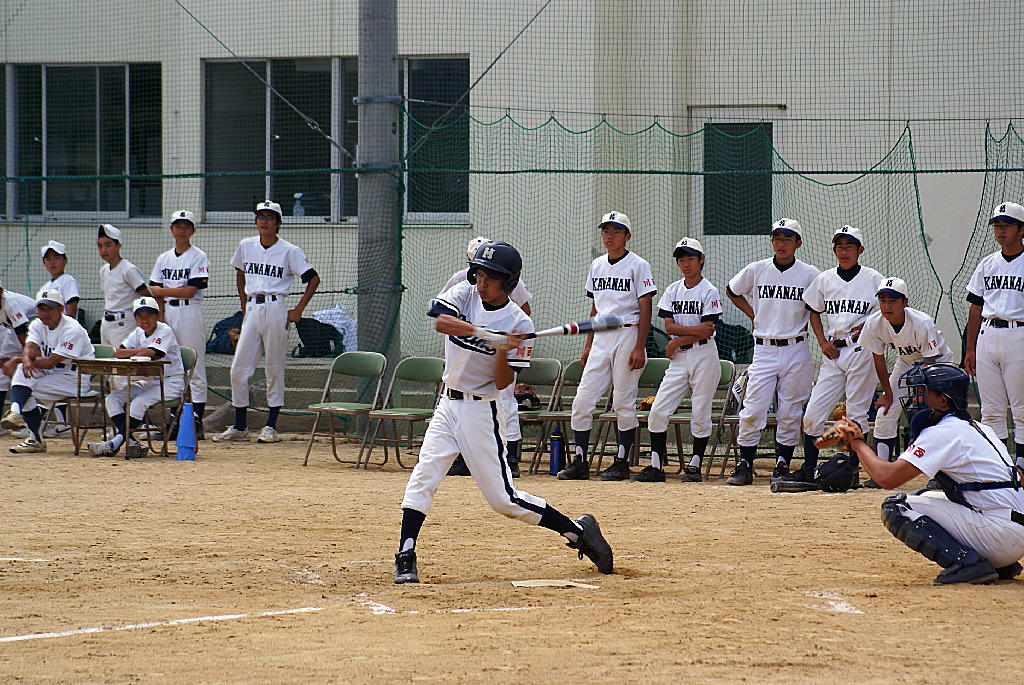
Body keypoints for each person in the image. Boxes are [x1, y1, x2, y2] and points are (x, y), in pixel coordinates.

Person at [393, 240, 613, 584]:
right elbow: (441, 322)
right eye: (479, 274)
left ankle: (577, 531)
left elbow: (503, 381)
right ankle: (406, 554)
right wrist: (486, 335)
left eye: (490, 278)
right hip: (448, 404)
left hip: (482, 411)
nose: (482, 283)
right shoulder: (465, 293)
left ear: (508, 282)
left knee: (504, 501)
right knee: (424, 475)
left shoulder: (519, 323)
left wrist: (502, 350)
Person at [841, 362, 1024, 585]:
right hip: (1010, 532)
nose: (915, 400)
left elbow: (886, 477)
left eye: (922, 393)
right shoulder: (978, 427)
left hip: (1000, 536)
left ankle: (969, 564)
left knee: (898, 507)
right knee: (922, 496)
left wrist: (858, 443)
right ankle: (999, 563)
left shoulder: (943, 432)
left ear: (943, 401)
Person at [775, 226, 882, 491]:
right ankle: (809, 468)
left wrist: (868, 325)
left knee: (856, 414)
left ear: (860, 250)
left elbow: (887, 309)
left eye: (850, 246)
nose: (844, 252)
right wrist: (822, 342)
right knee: (812, 414)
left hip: (861, 350)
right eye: (840, 247)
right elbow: (813, 311)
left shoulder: (873, 279)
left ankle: (852, 470)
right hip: (834, 352)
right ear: (834, 250)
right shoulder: (825, 279)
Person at [558, 211, 656, 481]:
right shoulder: (597, 265)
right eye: (606, 231)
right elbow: (595, 307)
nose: (609, 236)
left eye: (615, 231)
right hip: (601, 336)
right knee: (582, 401)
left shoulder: (638, 265)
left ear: (627, 236)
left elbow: (646, 307)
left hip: (627, 333)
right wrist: (588, 344)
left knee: (623, 401)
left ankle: (621, 462)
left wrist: (640, 346)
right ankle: (580, 461)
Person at [213, 201, 320, 444]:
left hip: (275, 307)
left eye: (270, 217)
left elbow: (313, 279)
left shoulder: (289, 250)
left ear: (278, 223)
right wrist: (243, 305)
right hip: (253, 308)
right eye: (260, 216)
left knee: (274, 367)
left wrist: (298, 310)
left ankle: (271, 426)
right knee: (238, 369)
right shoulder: (246, 245)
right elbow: (240, 273)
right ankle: (240, 426)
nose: (264, 221)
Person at [725, 218, 820, 486]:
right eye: (777, 238)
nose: (781, 244)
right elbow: (732, 290)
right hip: (764, 349)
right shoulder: (757, 269)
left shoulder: (810, 274)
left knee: (790, 412)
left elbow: (817, 307)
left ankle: (782, 464)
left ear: (798, 243)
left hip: (796, 348)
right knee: (753, 408)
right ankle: (745, 464)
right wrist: (753, 315)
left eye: (787, 239)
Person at [443, 236, 533, 478]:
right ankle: (464, 457)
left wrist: (509, 336)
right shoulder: (461, 281)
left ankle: (510, 457)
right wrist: (484, 334)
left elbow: (524, 310)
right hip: (466, 356)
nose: (481, 280)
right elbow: (443, 317)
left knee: (505, 400)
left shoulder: (508, 279)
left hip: (499, 357)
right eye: (477, 269)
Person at [634, 237, 722, 483]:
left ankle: (694, 465)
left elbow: (707, 331)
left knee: (700, 412)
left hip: (704, 355)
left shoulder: (709, 290)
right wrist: (685, 335)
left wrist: (675, 341)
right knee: (658, 411)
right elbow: (669, 325)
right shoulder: (673, 289)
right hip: (680, 358)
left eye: (690, 258)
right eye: (681, 259)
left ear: (701, 259)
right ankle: (656, 466)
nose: (685, 263)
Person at [859, 277, 954, 476]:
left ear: (905, 302)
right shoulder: (874, 323)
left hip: (938, 363)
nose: (887, 306)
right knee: (885, 411)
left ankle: (941, 473)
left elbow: (930, 361)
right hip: (906, 362)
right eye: (883, 300)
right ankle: (882, 471)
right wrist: (888, 394)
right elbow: (879, 359)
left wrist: (920, 393)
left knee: (935, 414)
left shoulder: (922, 323)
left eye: (893, 301)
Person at [964, 201, 1024, 471]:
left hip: (1018, 334)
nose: (1000, 230)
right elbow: (975, 307)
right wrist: (970, 348)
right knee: (990, 410)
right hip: (988, 335)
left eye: (1007, 225)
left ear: (1021, 229)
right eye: (997, 225)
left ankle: (1021, 466)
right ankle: (999, 466)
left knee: (1021, 410)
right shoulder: (987, 263)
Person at [88, 297, 185, 459]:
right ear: (135, 318)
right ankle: (131, 442)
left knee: (139, 402)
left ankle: (114, 443)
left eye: (149, 315)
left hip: (170, 383)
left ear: (157, 315)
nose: (145, 320)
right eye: (140, 316)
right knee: (112, 398)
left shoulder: (165, 330)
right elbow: (118, 353)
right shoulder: (138, 332)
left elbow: (152, 353)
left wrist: (138, 351)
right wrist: (140, 350)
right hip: (149, 381)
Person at [1, 289, 95, 454]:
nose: (45, 313)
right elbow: (30, 346)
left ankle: (34, 438)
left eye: (49, 309)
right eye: (41, 309)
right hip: (52, 375)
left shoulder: (72, 328)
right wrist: (26, 358)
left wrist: (17, 360)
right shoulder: (37, 324)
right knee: (24, 373)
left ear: (60, 309)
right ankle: (16, 413)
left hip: (75, 378)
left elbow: (51, 361)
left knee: (27, 390)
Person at [149, 210, 210, 439]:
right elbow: (153, 291)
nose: (181, 231)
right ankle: (175, 422)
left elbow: (189, 291)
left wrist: (162, 291)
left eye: (186, 227)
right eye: (178, 226)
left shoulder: (198, 256)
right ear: (171, 229)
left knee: (195, 367)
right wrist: (160, 317)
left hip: (189, 311)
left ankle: (196, 423)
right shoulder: (163, 258)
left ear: (192, 230)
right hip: (168, 313)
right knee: (172, 367)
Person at [39, 240, 82, 438]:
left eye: (57, 257)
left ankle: (59, 424)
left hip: (65, 338)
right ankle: (54, 423)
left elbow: (71, 310)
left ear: (65, 260)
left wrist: (64, 332)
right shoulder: (46, 286)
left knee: (59, 374)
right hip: (51, 337)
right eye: (48, 258)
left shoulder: (68, 280)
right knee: (51, 375)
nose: (52, 262)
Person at [97, 224, 151, 349]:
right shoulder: (104, 270)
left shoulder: (128, 269)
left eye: (108, 245)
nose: (104, 250)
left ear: (118, 245)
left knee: (123, 358)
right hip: (106, 323)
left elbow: (147, 296)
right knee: (106, 358)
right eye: (100, 246)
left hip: (124, 324)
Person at [0, 280, 37, 439]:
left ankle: (30, 424)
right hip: (13, 331)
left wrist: (25, 357)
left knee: (31, 371)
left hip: (37, 329)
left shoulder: (11, 303)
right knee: (1, 370)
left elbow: (24, 334)